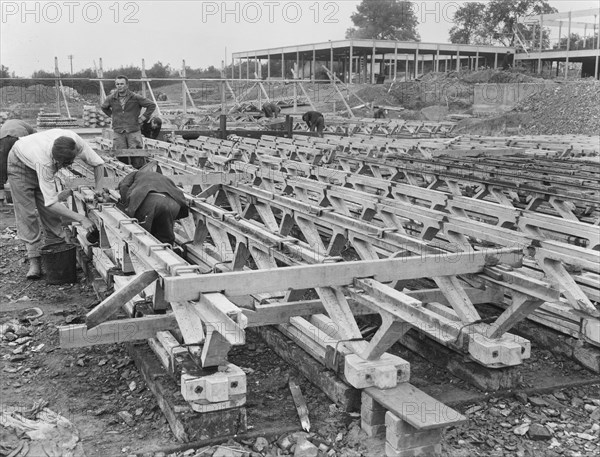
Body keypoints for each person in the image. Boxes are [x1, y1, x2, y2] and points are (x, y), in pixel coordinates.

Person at [7, 129, 105, 279]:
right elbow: (51, 202)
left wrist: (99, 189)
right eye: (60, 164)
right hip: (20, 164)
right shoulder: (45, 162)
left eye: (67, 163)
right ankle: (34, 259)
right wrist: (81, 218)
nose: (63, 167)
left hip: (36, 158)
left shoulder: (76, 142)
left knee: (51, 214)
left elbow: (98, 164)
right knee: (27, 214)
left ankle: (58, 253)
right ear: (55, 159)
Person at [117, 168, 188, 245]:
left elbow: (123, 186)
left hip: (151, 202)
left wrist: (126, 205)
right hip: (174, 203)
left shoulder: (133, 174)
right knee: (165, 234)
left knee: (143, 234)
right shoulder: (160, 177)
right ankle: (169, 250)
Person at [100, 75, 156, 149]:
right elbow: (104, 107)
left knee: (136, 155)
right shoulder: (111, 98)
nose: (119, 86)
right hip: (118, 131)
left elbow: (151, 105)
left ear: (127, 85)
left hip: (133, 131)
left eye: (122, 84)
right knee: (120, 155)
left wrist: (143, 118)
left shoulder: (135, 97)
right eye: (117, 84)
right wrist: (112, 115)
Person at [1, 119, 36, 188]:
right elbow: (35, 138)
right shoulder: (28, 126)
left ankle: (1, 184)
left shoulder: (6, 124)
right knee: (21, 160)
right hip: (19, 135)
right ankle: (24, 183)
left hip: (3, 137)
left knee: (2, 161)